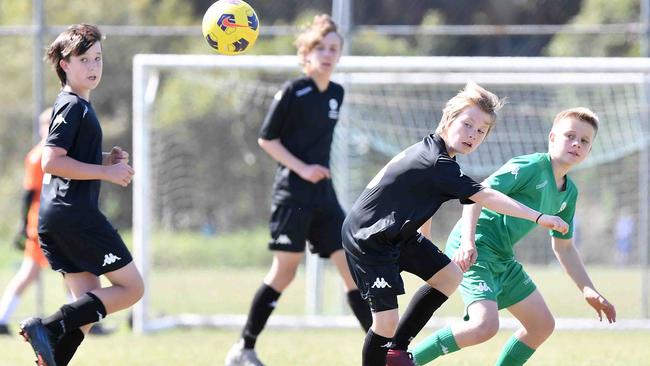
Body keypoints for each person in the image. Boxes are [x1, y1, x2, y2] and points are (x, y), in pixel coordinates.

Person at [342, 82, 571, 366]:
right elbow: (485, 196)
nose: (473, 135)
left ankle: (397, 352)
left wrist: (423, 239)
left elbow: (418, 197)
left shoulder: (437, 156)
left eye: (481, 131)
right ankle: (391, 351)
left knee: (449, 275)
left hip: (396, 235)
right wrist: (539, 216)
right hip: (370, 239)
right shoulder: (437, 162)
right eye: (467, 124)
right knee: (386, 323)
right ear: (448, 120)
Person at [410, 107, 617, 366]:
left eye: (584, 141)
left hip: (503, 257)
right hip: (477, 246)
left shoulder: (569, 194)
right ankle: (406, 361)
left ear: (589, 150)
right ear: (552, 137)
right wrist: (467, 242)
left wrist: (588, 289)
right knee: (483, 326)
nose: (576, 143)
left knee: (541, 325)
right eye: (570, 135)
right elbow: (476, 194)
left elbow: (563, 248)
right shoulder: (530, 166)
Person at [225, 14, 371, 366]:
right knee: (285, 272)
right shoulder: (293, 91)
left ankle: (385, 352)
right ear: (306, 54)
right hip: (293, 195)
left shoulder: (337, 92)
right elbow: (266, 138)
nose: (327, 54)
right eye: (320, 47)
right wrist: (303, 168)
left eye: (334, 48)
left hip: (325, 196)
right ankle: (243, 349)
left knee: (351, 268)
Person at [18, 24, 143, 366]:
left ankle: (50, 354)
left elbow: (69, 157)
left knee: (84, 310)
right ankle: (44, 325)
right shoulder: (73, 105)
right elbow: (51, 161)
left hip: (59, 218)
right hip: (75, 217)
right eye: (84, 59)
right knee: (132, 289)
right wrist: (106, 173)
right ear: (64, 65)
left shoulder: (76, 105)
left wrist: (105, 160)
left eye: (98, 58)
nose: (93, 66)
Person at [0, 108, 52, 335]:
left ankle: (2, 319)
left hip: (52, 221)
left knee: (70, 269)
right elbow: (28, 194)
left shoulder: (56, 152)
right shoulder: (39, 155)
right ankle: (1, 319)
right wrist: (23, 226)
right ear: (42, 127)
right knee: (33, 271)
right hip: (41, 223)